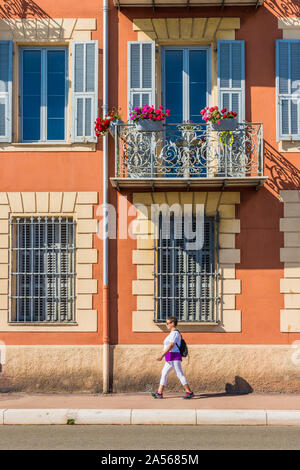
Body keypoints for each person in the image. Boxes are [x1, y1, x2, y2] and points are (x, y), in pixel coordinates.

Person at [152, 316, 194, 399]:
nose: (166, 325)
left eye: (167, 323)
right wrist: (164, 353)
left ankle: (189, 392)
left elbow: (171, 345)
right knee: (164, 373)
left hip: (174, 355)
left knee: (179, 374)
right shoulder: (171, 333)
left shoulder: (175, 333)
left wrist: (162, 355)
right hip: (170, 356)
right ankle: (159, 392)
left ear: (172, 323)